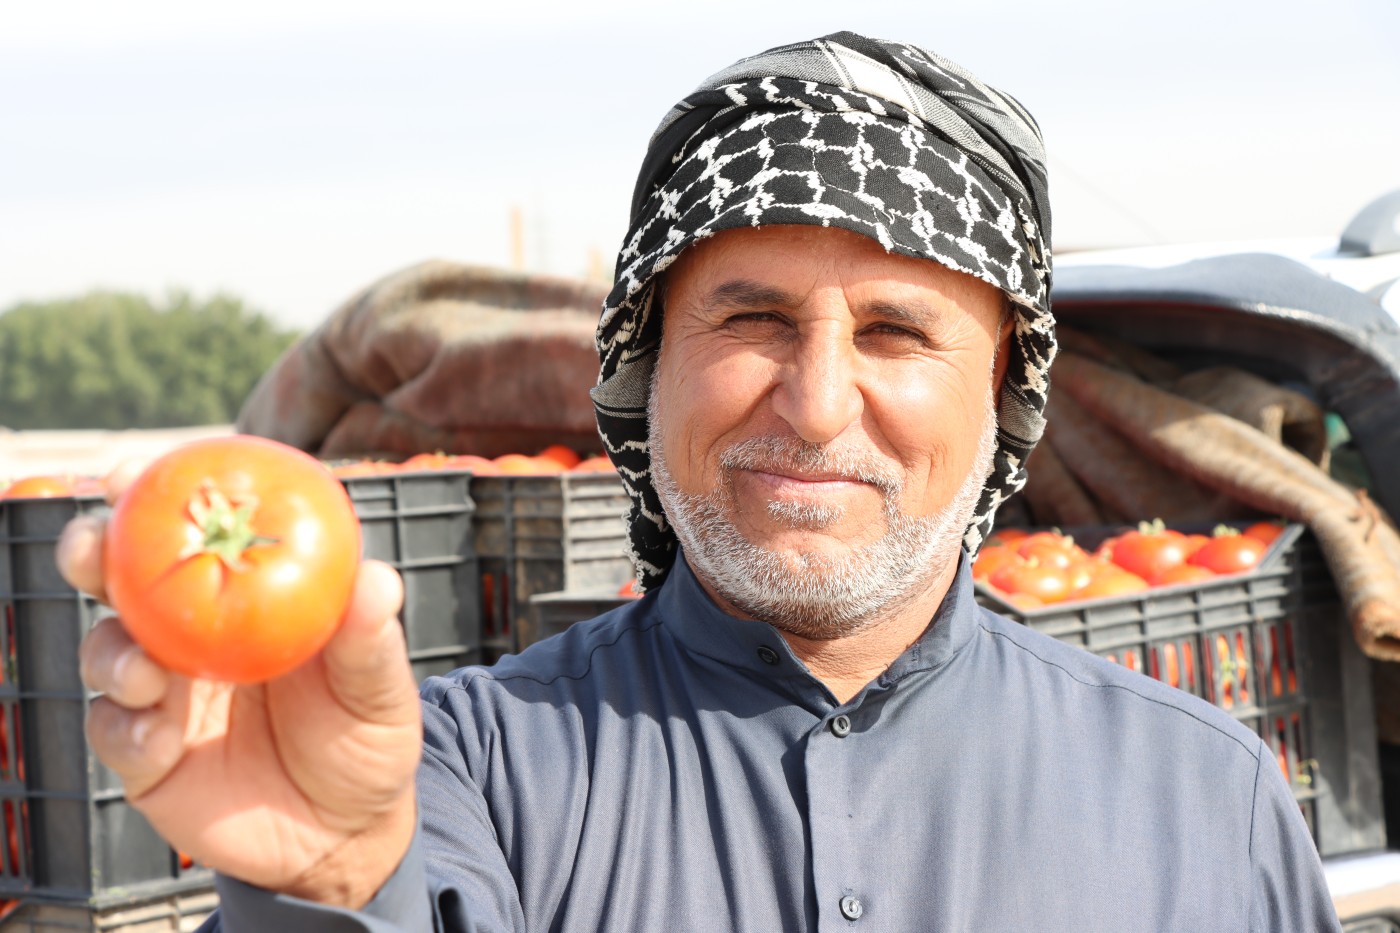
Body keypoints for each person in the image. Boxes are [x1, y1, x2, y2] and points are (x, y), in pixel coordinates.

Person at [61, 32, 1341, 932]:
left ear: (1002, 390)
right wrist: (327, 894)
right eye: (751, 320)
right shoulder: (453, 780)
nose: (817, 400)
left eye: (894, 333)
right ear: (643, 366)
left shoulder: (1201, 798)